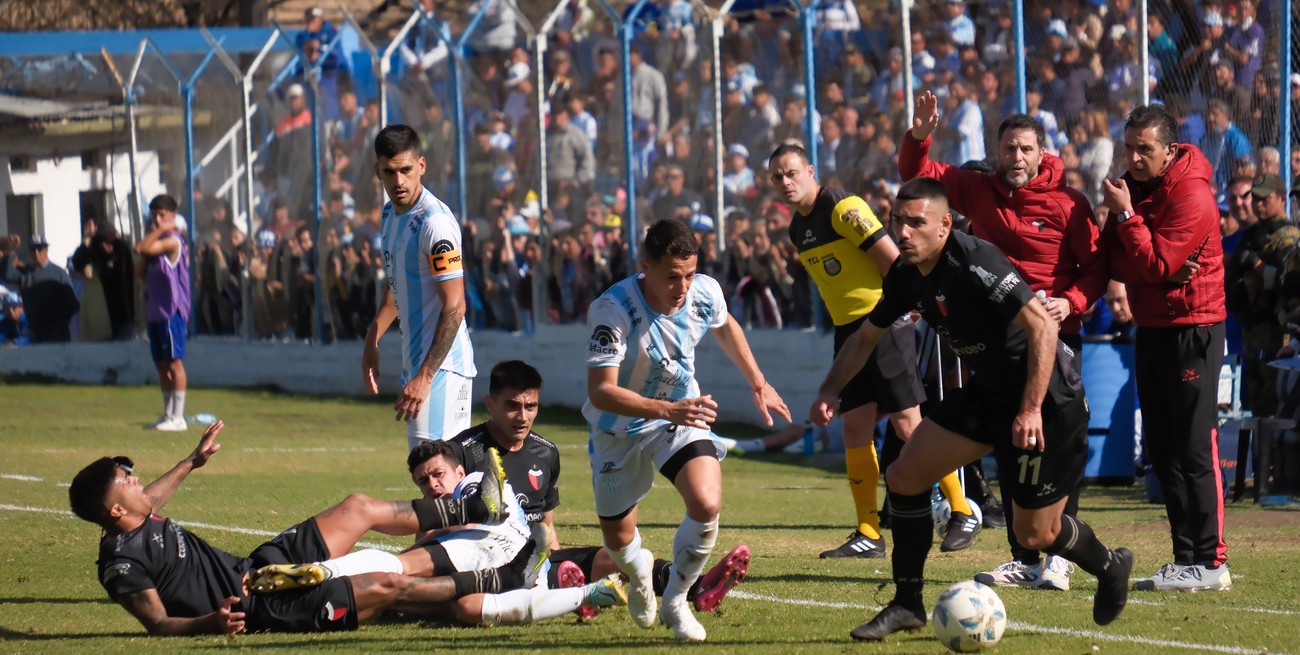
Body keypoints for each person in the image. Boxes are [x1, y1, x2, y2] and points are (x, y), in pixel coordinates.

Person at [813, 177, 1133, 642]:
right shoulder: (905, 274)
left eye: (915, 223)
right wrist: (829, 390)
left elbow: (1044, 329)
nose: (902, 232)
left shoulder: (976, 261)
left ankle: (1110, 567)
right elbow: (864, 338)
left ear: (944, 225)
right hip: (989, 395)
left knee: (1035, 535)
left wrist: (1030, 410)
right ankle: (907, 603)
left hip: (1048, 401)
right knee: (904, 476)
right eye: (897, 221)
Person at [901, 92, 1109, 591]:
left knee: (1050, 438)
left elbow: (1098, 267)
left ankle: (1056, 556)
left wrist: (1072, 301)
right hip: (995, 345)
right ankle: (1027, 558)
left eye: (1026, 149)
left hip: (1052, 338)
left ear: (1042, 154)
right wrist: (919, 133)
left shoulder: (1070, 203)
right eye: (1009, 149)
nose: (1017, 158)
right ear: (998, 152)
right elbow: (917, 173)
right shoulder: (977, 189)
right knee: (1015, 451)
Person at [69, 421, 533, 636]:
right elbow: (156, 624)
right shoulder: (121, 564)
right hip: (260, 605)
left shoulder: (138, 513)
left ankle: (471, 508)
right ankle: (496, 581)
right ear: (114, 512)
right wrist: (210, 623)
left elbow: (152, 498)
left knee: (357, 507)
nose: (137, 482)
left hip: (258, 566)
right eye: (127, 480)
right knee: (389, 583)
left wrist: (192, 461)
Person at [584, 218, 792, 641]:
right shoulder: (613, 310)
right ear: (645, 266)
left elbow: (726, 325)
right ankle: (640, 572)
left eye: (690, 274)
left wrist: (760, 382)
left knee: (706, 501)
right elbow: (602, 392)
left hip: (680, 416)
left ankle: (676, 600)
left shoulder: (704, 292)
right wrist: (665, 408)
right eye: (672, 276)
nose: (682, 286)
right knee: (620, 542)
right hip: (619, 429)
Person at [768, 143, 979, 558]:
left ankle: (961, 509)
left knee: (907, 425)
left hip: (882, 325)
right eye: (777, 177)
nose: (785, 182)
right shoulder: (798, 228)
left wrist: (909, 305)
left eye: (792, 172)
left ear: (811, 170)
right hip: (849, 333)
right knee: (855, 429)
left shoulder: (843, 208)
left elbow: (893, 261)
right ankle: (869, 532)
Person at [449, 359, 751, 621]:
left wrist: (552, 558)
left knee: (617, 559)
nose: (523, 416)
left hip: (538, 555)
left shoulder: (545, 452)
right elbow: (444, 522)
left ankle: (696, 587)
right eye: (512, 406)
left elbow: (546, 523)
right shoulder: (463, 451)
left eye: (531, 406)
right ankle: (573, 593)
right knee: (553, 572)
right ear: (490, 404)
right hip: (493, 557)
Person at [1101, 104, 1231, 592]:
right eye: (1129, 147)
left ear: (1170, 150)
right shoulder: (1129, 187)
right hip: (1152, 326)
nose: (1133, 158)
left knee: (1196, 445)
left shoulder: (1191, 193)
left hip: (1193, 327)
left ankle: (1212, 561)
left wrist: (1131, 221)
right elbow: (1120, 257)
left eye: (1145, 149)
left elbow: (1153, 265)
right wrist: (1148, 256)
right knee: (1163, 448)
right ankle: (1185, 559)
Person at [362, 124, 476, 449]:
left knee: (439, 478)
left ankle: (512, 500)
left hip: (443, 370)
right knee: (440, 478)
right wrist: (373, 339)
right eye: (389, 172)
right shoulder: (389, 215)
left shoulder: (435, 224)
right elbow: (398, 286)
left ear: (421, 166)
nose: (398, 181)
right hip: (419, 368)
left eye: (406, 170)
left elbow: (455, 305)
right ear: (378, 171)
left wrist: (425, 377)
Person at [135, 196, 191, 432]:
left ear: (172, 216)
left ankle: (178, 417)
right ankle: (167, 414)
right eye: (153, 216)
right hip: (156, 311)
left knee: (174, 363)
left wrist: (163, 230)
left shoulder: (173, 241)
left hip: (172, 311)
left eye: (161, 216)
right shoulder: (156, 246)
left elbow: (140, 246)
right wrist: (154, 236)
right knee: (161, 364)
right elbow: (138, 269)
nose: (156, 220)